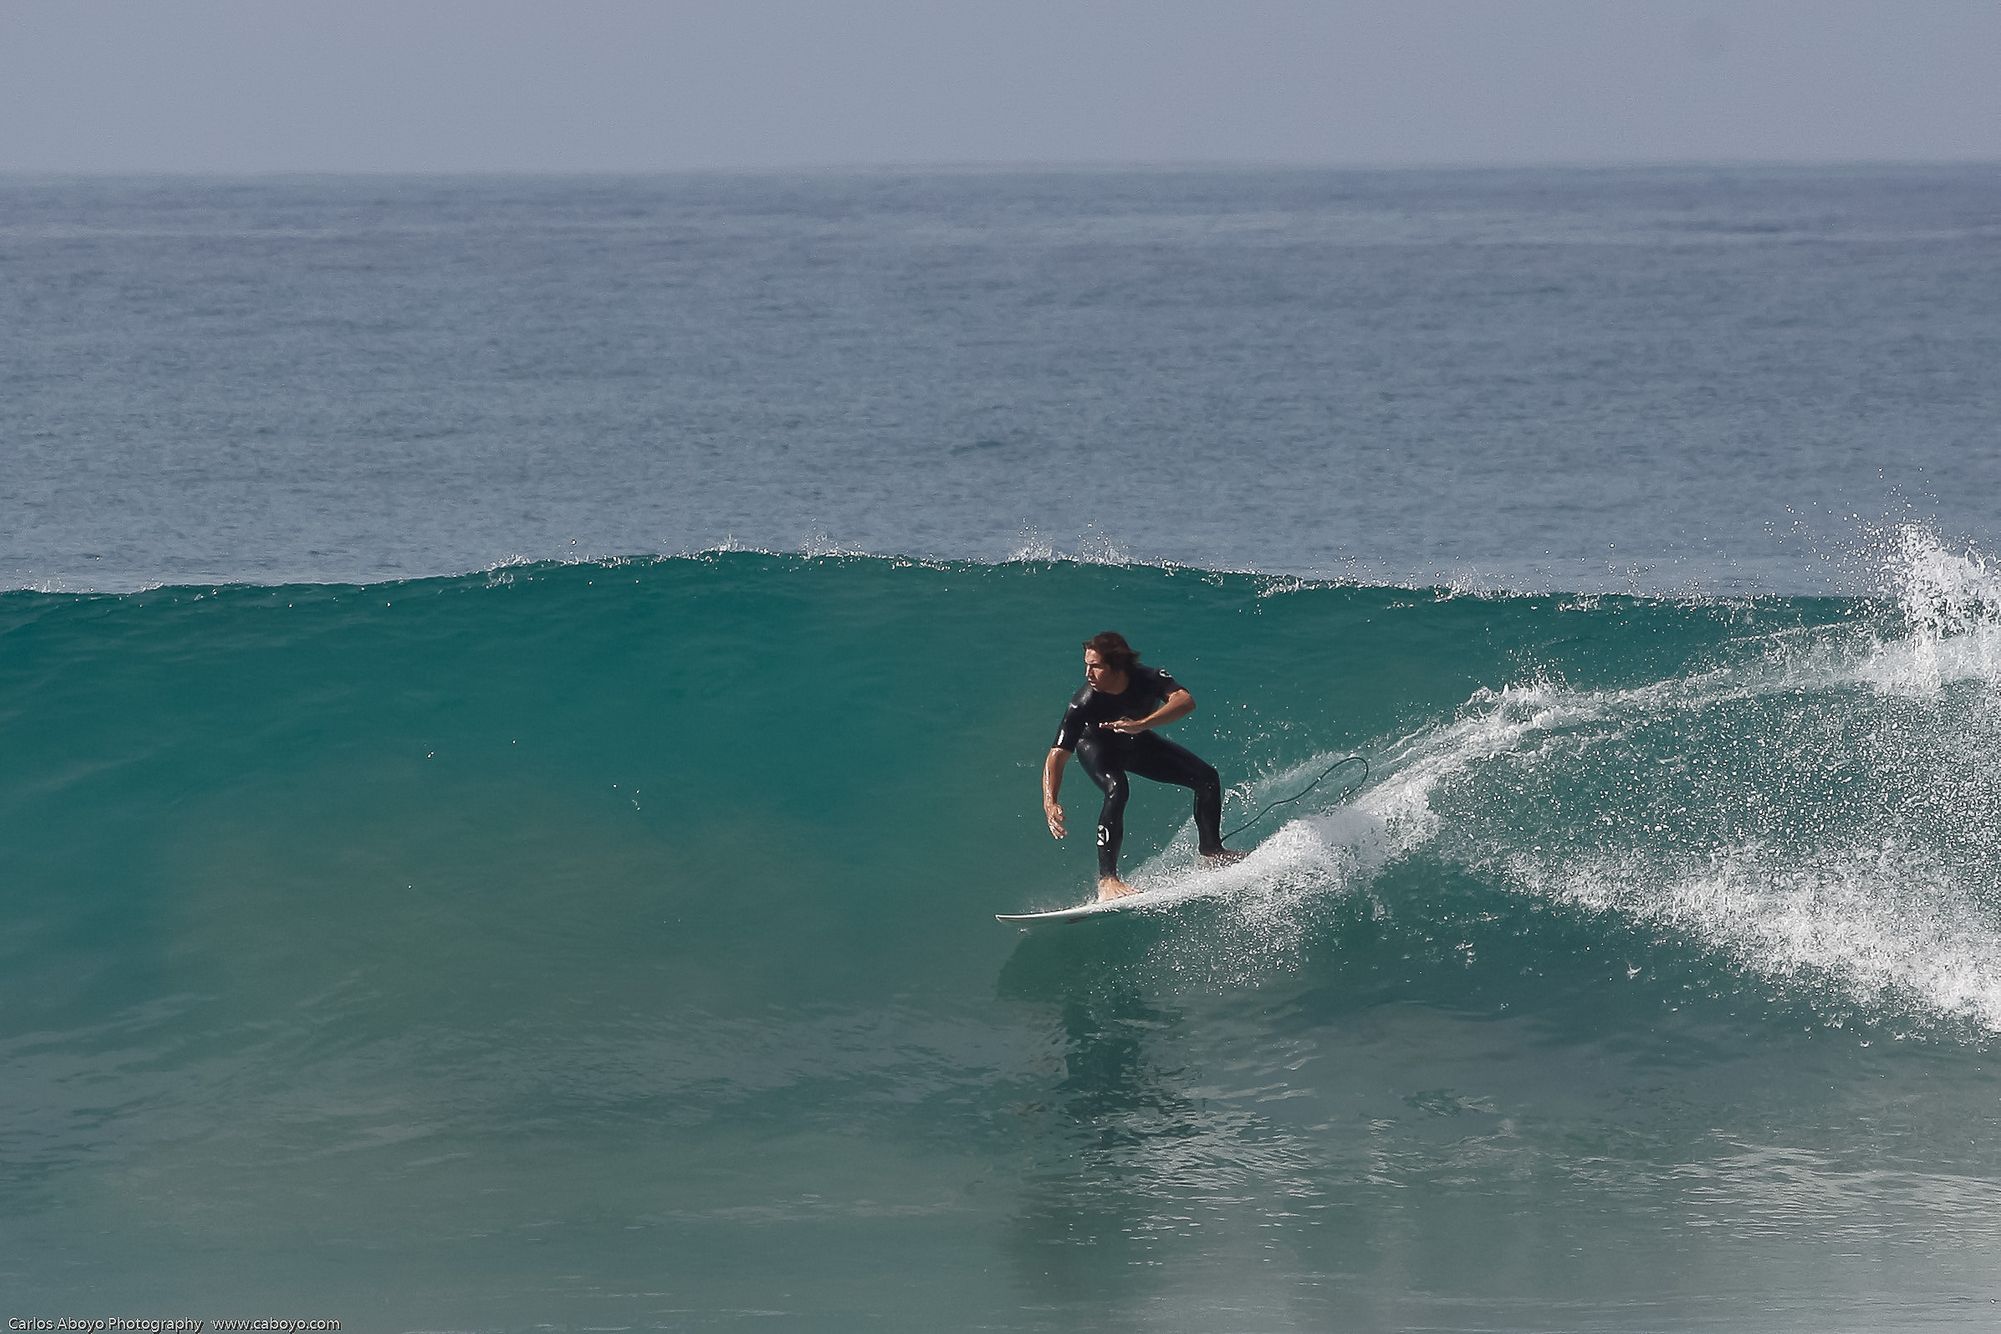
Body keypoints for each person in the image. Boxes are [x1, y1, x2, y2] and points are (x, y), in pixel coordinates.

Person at [1042, 631, 1242, 900]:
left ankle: (1211, 851)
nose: (1088, 673)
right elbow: (1057, 754)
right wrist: (1050, 800)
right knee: (1117, 788)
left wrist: (1142, 725)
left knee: (1206, 778)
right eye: (1086, 665)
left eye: (1096, 666)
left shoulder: (1148, 679)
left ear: (1118, 665)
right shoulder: (1083, 703)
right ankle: (1108, 881)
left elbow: (1185, 701)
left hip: (1135, 741)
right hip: (1097, 750)